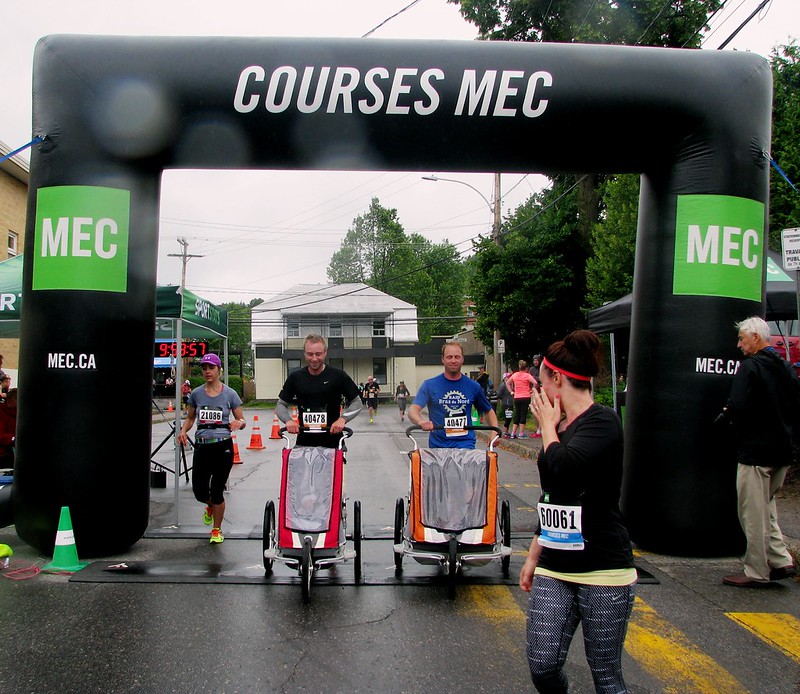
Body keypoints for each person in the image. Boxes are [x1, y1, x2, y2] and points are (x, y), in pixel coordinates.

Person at [519, 330, 635, 693]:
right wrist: (534, 553)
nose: (539, 391)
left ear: (557, 379)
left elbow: (566, 469)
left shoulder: (602, 422)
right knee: (543, 666)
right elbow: (554, 493)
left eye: (541, 382)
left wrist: (547, 428)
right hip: (555, 563)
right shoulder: (559, 426)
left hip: (602, 567)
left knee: (606, 676)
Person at [719, 316, 797, 587]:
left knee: (752, 513)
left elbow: (737, 405)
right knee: (766, 507)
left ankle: (756, 571)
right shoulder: (785, 367)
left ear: (755, 337)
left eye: (742, 339)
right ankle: (780, 559)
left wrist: (728, 417)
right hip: (782, 450)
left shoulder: (750, 367)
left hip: (756, 452)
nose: (739, 345)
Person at [177, 353, 246, 545]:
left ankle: (216, 529)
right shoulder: (196, 394)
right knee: (199, 491)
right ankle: (211, 506)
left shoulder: (230, 394)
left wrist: (239, 423)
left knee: (217, 490)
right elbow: (191, 418)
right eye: (204, 368)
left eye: (211, 368)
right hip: (202, 446)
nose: (207, 371)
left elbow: (242, 419)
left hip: (223, 446)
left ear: (219, 370)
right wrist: (183, 431)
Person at [275, 334, 362, 448]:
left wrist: (343, 419)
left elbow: (357, 402)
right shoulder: (295, 377)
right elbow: (280, 404)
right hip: (304, 444)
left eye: (318, 354)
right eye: (310, 354)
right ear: (304, 353)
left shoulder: (338, 376)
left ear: (325, 353)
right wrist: (288, 421)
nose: (314, 359)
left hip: (333, 444)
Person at [408, 341, 499, 448]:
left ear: (462, 359)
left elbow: (488, 411)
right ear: (443, 359)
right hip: (438, 448)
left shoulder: (473, 386)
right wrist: (421, 421)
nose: (453, 360)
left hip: (466, 447)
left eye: (457, 357)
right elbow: (413, 410)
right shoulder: (430, 385)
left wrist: (494, 432)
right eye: (449, 357)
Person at [508, 360, 538, 439]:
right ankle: (521, 433)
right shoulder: (527, 375)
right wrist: (532, 390)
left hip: (517, 396)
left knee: (517, 414)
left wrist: (511, 391)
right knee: (523, 414)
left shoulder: (515, 375)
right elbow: (535, 383)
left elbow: (508, 383)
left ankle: (513, 433)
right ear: (526, 368)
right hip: (525, 396)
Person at [0, 388, 17, 471]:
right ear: (9, 400)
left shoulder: (22, 413)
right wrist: (13, 439)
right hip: (4, 454)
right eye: (16, 399)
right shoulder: (2, 412)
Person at [497, 372, 515, 438]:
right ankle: (505, 432)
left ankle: (506, 432)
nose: (509, 378)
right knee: (507, 418)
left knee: (509, 418)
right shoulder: (503, 385)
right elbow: (499, 394)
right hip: (506, 403)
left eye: (510, 377)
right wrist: (504, 398)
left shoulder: (512, 385)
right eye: (508, 377)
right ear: (504, 378)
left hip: (510, 403)